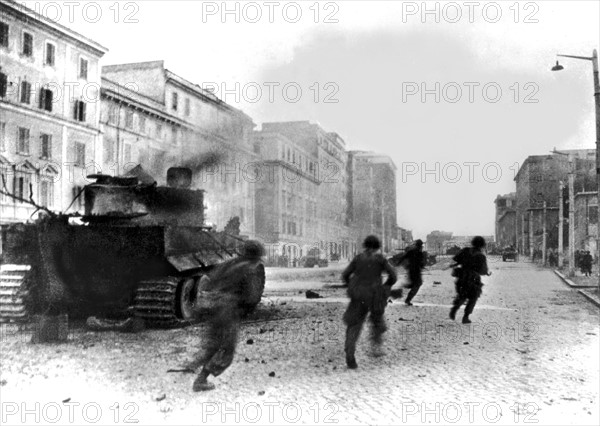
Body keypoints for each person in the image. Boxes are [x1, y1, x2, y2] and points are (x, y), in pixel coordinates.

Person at [183, 240, 265, 391]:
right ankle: (201, 379)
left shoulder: (229, 263)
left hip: (213, 306)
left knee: (213, 344)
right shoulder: (250, 268)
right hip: (228, 309)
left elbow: (208, 280)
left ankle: (194, 367)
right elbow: (251, 296)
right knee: (227, 349)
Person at [342, 235, 397, 369]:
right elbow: (393, 276)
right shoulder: (380, 259)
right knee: (378, 321)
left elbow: (345, 275)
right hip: (374, 296)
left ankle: (350, 352)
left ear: (365, 245)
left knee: (354, 325)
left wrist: (353, 286)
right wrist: (386, 287)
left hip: (358, 296)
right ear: (377, 245)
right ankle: (376, 346)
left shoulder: (358, 258)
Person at [449, 236, 491, 324]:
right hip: (473, 279)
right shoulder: (481, 256)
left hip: (462, 277)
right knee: (473, 297)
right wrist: (487, 273)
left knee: (462, 295)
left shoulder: (465, 250)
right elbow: (483, 271)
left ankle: (455, 308)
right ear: (482, 245)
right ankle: (466, 317)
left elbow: (455, 259)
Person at [398, 239, 427, 306]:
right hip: (416, 271)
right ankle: (408, 299)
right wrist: (422, 266)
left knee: (415, 283)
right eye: (420, 245)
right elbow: (421, 263)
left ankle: (407, 287)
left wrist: (398, 263)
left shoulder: (412, 251)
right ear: (420, 245)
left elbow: (403, 257)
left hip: (411, 270)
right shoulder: (420, 253)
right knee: (418, 284)